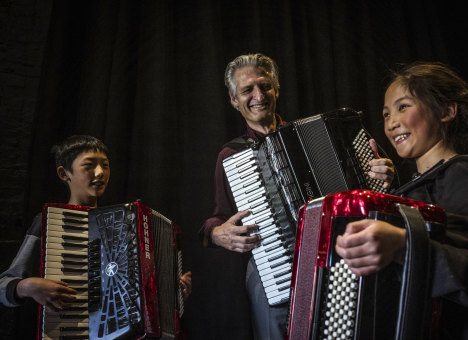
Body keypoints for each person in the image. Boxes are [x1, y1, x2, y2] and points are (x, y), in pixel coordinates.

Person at [200, 53, 395, 339]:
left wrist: (383, 178)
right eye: (247, 90)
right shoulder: (232, 155)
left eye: (265, 86)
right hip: (274, 262)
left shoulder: (316, 135)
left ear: (276, 90)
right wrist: (217, 233)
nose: (258, 95)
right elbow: (218, 217)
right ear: (233, 100)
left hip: (335, 256)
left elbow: (368, 194)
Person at [335, 61, 468, 339]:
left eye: (403, 106)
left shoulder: (463, 170)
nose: (391, 123)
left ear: (446, 111)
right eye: (386, 113)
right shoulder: (412, 189)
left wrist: (404, 247)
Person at [0, 135, 192, 313]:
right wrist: (26, 286)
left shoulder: (126, 224)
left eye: (105, 165)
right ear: (64, 173)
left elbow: (139, 295)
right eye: (89, 165)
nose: (100, 173)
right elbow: (5, 284)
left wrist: (173, 296)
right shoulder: (47, 222)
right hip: (70, 330)